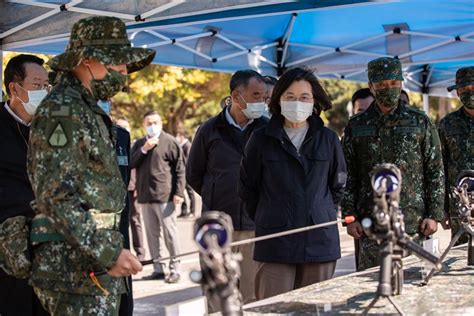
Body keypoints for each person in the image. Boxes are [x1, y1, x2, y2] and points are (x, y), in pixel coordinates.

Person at [27, 16, 155, 315]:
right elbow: (55, 197)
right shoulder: (63, 111)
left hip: (89, 263)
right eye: (118, 63)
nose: (125, 73)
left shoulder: (84, 108)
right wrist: (108, 253)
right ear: (87, 60)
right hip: (73, 270)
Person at [239, 67, 346, 300]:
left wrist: (318, 210)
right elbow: (248, 187)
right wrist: (270, 215)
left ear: (313, 101)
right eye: (290, 96)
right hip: (275, 241)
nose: (297, 103)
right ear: (278, 99)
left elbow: (338, 185)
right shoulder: (261, 139)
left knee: (316, 309)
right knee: (273, 309)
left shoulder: (327, 139)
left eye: (304, 97)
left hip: (319, 240)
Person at [342, 57, 444, 271]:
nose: (388, 88)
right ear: (371, 86)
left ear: (401, 83)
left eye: (393, 83)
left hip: (415, 226)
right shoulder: (356, 126)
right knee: (371, 287)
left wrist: (434, 215)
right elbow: (348, 174)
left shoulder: (420, 121)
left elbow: (435, 170)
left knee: (416, 290)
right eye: (381, 84)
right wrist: (350, 217)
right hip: (371, 227)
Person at [186, 69, 268, 310]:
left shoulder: (266, 130)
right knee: (218, 294)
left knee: (252, 295)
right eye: (255, 95)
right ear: (236, 95)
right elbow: (194, 175)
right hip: (218, 231)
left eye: (263, 97)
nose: (260, 102)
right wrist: (219, 195)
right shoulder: (209, 130)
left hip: (256, 226)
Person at [0, 54, 49, 316]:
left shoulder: (50, 128)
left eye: (46, 86)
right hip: (8, 248)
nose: (44, 92)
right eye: (37, 85)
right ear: (15, 88)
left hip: (47, 245)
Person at [131, 111, 185, 283]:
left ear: (161, 123)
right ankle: (158, 268)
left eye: (155, 122)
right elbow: (131, 163)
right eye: (149, 122)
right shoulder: (139, 143)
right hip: (145, 197)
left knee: (170, 233)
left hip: (165, 195)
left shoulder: (170, 142)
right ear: (144, 124)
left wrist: (179, 192)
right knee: (152, 235)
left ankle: (175, 268)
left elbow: (180, 169)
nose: (152, 125)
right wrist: (144, 150)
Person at [439, 66, 474, 245]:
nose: (469, 93)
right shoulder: (447, 124)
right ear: (458, 92)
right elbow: (440, 168)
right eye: (464, 89)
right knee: (461, 260)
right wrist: (443, 208)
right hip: (460, 206)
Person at [175, 130, 196, 218]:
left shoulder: (188, 146)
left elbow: (188, 160)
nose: (177, 138)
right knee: (181, 192)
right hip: (182, 173)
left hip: (187, 172)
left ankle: (192, 211)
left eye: (178, 136)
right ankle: (184, 210)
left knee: (190, 192)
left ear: (182, 136)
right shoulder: (181, 146)